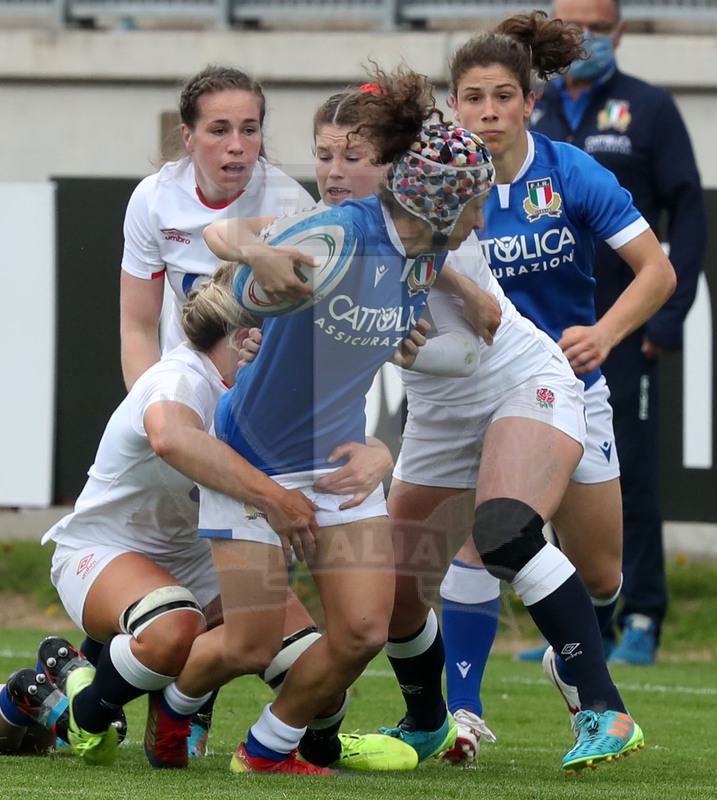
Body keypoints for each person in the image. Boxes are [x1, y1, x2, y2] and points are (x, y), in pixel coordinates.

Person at [162, 65, 496, 777]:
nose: (483, 216)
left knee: (364, 630)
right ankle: (177, 704)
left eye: (353, 156)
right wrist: (251, 274)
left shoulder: (428, 256)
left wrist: (385, 448)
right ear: (443, 203)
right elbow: (214, 305)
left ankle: (264, 751)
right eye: (476, 202)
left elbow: (413, 360)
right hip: (253, 460)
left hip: (340, 470)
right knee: (249, 645)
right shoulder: (338, 235)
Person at [380, 10, 675, 774]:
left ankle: (566, 654)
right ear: (454, 103)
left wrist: (604, 333)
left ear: (528, 101)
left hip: (565, 383)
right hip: (469, 393)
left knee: (600, 572)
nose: (487, 113)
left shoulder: (570, 172)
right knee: (484, 535)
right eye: (472, 97)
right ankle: (461, 714)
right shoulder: (435, 177)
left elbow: (658, 273)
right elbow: (388, 248)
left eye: (502, 96)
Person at [42, 264, 401, 770]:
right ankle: (83, 708)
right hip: (106, 550)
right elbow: (172, 439)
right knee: (172, 628)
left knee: (319, 677)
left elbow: (332, 439)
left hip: (203, 559)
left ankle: (316, 747)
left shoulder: (262, 389)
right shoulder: (180, 376)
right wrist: (277, 498)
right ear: (246, 335)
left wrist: (381, 454)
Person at [530, 0, 706, 665]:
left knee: (627, 471)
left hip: (622, 327)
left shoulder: (648, 108)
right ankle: (580, 626)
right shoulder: (529, 109)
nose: (583, 42)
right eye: (570, 29)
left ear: (620, 32)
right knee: (547, 480)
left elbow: (686, 214)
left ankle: (640, 616)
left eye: (596, 30)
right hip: (540, 337)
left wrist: (666, 315)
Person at [120, 64, 314, 390]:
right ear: (188, 137)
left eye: (249, 130)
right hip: (184, 381)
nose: (236, 145)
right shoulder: (152, 199)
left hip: (263, 385)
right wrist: (150, 406)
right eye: (219, 130)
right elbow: (138, 328)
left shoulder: (291, 204)